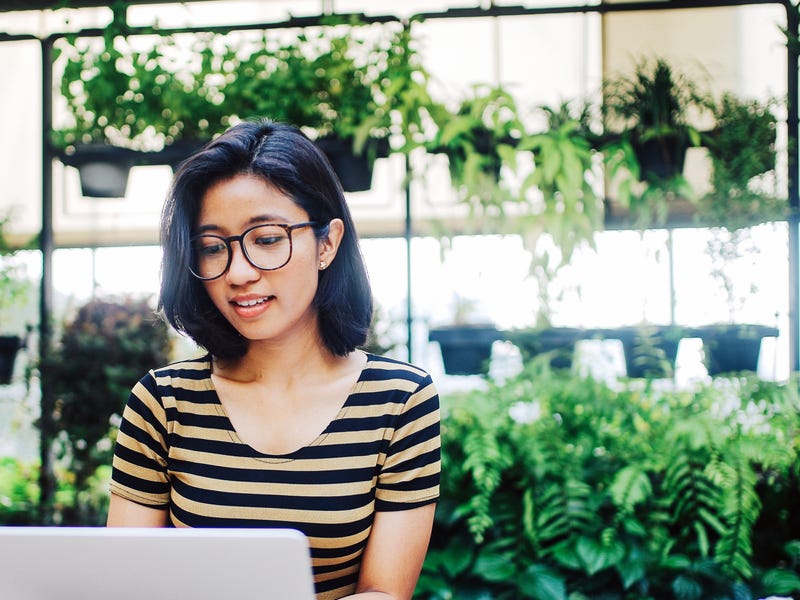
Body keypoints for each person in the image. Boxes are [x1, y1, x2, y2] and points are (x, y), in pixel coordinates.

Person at [106, 119, 441, 600]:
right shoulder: (163, 403)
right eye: (211, 247)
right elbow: (125, 583)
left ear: (327, 243)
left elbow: (384, 593)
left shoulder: (398, 401)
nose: (238, 273)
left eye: (265, 239)